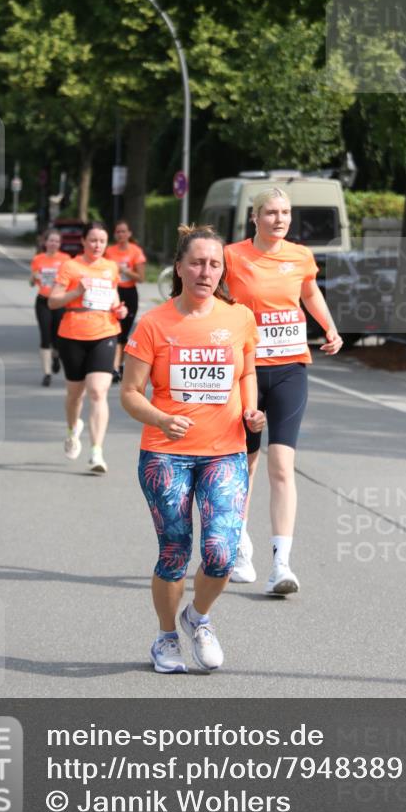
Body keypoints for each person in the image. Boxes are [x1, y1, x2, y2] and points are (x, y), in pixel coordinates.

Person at [121, 224, 265, 674]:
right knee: (175, 550)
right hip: (166, 453)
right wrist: (162, 418)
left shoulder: (238, 317)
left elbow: (246, 372)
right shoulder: (154, 324)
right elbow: (129, 392)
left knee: (222, 552)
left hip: (225, 451)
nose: (206, 271)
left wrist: (253, 411)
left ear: (223, 270)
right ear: (180, 268)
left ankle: (198, 617)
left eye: (215, 264)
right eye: (198, 263)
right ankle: (166, 637)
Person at [224, 186, 343, 596]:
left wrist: (328, 326)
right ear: (254, 218)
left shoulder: (300, 256)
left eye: (286, 212)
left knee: (282, 466)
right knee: (247, 465)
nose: (280, 219)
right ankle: (240, 546)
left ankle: (281, 564)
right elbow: (215, 300)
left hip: (291, 368)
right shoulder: (232, 256)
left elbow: (309, 292)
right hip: (248, 373)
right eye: (271, 212)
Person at [48, 221, 128, 473]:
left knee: (97, 392)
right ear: (83, 241)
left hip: (105, 332)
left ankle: (96, 453)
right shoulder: (70, 266)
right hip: (72, 334)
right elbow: (52, 301)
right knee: (75, 394)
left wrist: (120, 309)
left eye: (102, 241)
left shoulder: (110, 267)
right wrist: (75, 293)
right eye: (92, 240)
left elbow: (114, 297)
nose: (97, 245)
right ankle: (73, 430)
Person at [104, 220, 147, 382]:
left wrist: (124, 270)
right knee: (114, 331)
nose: (121, 235)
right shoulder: (109, 251)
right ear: (115, 235)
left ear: (129, 234)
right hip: (113, 292)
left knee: (123, 333)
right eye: (118, 232)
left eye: (124, 232)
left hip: (129, 293)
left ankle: (119, 365)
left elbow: (141, 278)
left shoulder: (136, 252)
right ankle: (114, 367)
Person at [30, 229, 69, 386]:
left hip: (59, 301)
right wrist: (34, 277)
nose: (53, 244)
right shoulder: (38, 259)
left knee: (58, 338)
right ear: (45, 243)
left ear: (60, 244)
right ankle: (47, 374)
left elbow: (70, 280)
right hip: (43, 301)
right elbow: (31, 282)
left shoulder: (65, 260)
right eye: (51, 241)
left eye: (57, 241)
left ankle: (56, 356)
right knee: (45, 337)